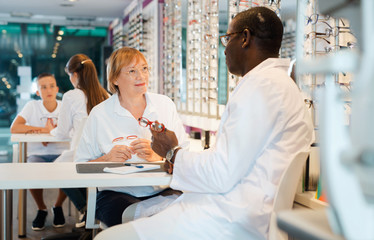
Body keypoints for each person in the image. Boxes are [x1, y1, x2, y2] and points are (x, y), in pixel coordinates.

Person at [95, 6, 314, 240]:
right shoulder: (278, 85)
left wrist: (172, 152)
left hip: (228, 221)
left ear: (245, 38)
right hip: (241, 213)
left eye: (226, 39)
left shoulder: (260, 87)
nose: (224, 50)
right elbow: (230, 164)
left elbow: (221, 172)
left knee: (107, 237)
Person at [74, 47, 189, 227]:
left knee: (187, 216)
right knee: (148, 223)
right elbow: (80, 166)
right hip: (116, 194)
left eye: (144, 69)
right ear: (114, 79)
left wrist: (159, 156)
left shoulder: (165, 105)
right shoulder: (100, 114)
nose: (141, 76)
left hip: (162, 189)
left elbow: (184, 154)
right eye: (132, 71)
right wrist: (107, 159)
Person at [51, 53, 109, 228]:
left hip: (80, 156)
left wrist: (51, 130)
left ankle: (86, 208)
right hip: (105, 156)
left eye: (69, 75)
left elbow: (61, 133)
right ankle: (90, 209)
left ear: (75, 74)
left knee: (55, 170)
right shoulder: (105, 95)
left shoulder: (71, 96)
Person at [10, 73, 70, 231]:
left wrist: (53, 133)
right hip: (37, 154)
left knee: (69, 170)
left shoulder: (65, 106)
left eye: (51, 86)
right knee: (31, 171)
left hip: (61, 153)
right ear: (38, 92)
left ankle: (58, 206)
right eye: (43, 87)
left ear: (57, 89)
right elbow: (15, 127)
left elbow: (75, 130)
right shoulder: (32, 106)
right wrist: (44, 130)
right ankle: (41, 208)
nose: (48, 90)